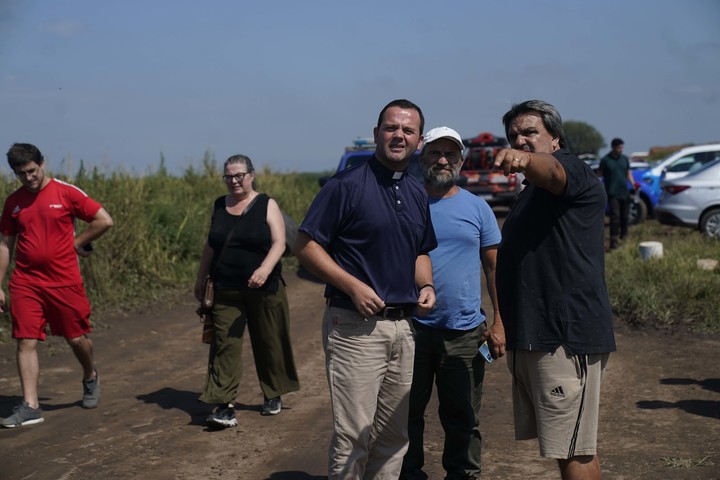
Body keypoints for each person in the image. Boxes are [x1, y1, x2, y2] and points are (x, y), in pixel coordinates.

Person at [295, 99, 437, 479]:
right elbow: (305, 244)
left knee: (393, 437)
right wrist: (352, 285)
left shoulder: (416, 190)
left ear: (419, 141)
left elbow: (420, 250)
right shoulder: (346, 186)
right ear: (376, 134)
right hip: (355, 327)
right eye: (391, 128)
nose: (398, 136)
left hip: (403, 328)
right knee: (354, 435)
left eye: (408, 131)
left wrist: (426, 284)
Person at [493, 100, 616, 480]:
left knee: (576, 448)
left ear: (556, 139)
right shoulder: (531, 193)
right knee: (565, 447)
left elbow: (553, 171)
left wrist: (526, 159)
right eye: (514, 135)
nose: (520, 140)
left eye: (530, 132)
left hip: (567, 336)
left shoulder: (573, 170)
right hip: (537, 337)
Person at [400, 127, 505, 480]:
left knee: (463, 416)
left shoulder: (477, 208)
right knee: (405, 413)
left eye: (450, 155)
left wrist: (500, 323)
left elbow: (494, 268)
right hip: (410, 328)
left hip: (463, 331)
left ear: (460, 161)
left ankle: (462, 473)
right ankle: (409, 472)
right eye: (434, 153)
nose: (442, 160)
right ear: (422, 157)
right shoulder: (404, 202)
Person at [0, 143, 114, 428]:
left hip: (64, 281)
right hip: (26, 281)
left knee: (76, 339)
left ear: (42, 163)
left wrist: (77, 243)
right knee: (25, 340)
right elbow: (5, 245)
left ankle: (90, 375)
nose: (28, 178)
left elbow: (104, 220)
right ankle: (31, 406)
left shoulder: (66, 192)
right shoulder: (13, 202)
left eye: (31, 171)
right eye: (20, 174)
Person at [194, 154, 300, 427]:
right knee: (224, 346)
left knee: (269, 341)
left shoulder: (266, 204)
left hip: (265, 289)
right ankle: (224, 404)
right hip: (226, 289)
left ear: (251, 175)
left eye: (239, 175)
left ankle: (273, 392)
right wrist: (200, 278)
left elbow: (279, 242)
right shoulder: (220, 205)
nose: (234, 181)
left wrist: (264, 270)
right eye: (228, 176)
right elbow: (211, 245)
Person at [599, 138, 635, 250]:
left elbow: (628, 173)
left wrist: (633, 185)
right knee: (615, 217)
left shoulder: (624, 159)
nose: (621, 150)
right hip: (612, 193)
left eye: (622, 147)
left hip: (624, 192)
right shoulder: (605, 160)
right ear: (613, 147)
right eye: (619, 148)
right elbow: (600, 175)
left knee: (625, 217)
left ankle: (624, 238)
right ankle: (613, 241)